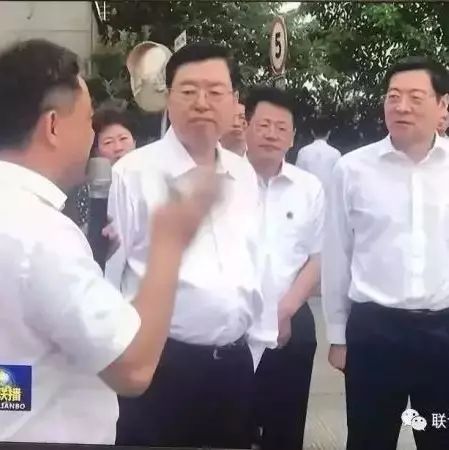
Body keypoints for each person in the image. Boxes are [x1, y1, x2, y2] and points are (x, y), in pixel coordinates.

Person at [0, 39, 219, 444]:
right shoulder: (41, 234)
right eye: (88, 121)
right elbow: (132, 367)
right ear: (52, 126)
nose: (92, 137)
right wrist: (169, 244)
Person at [105, 42, 263, 448]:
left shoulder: (244, 175)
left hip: (233, 365)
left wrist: (257, 346)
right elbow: (112, 276)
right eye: (188, 91)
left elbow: (255, 260)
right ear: (169, 98)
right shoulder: (133, 173)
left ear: (234, 100)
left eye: (215, 91)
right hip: (161, 366)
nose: (202, 103)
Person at [322, 56, 449, 450]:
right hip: (375, 333)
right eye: (393, 96)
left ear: (443, 105)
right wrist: (337, 335)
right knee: (369, 438)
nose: (401, 106)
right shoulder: (352, 169)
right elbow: (337, 254)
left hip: (443, 331)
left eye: (415, 97)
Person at [245, 87, 324, 450]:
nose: (271, 134)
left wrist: (285, 310)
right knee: (232, 426)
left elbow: (318, 257)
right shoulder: (222, 180)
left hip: (290, 319)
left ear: (292, 138)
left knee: (285, 429)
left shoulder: (309, 188)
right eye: (263, 125)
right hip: (233, 325)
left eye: (281, 128)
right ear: (246, 126)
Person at [63, 106, 137, 231]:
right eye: (108, 142)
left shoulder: (150, 178)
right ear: (96, 151)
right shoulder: (84, 189)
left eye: (123, 139)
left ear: (134, 142)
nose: (118, 147)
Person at [295, 116, 340, 188]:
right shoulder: (336, 153)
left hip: (308, 191)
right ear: (329, 133)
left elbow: (297, 176)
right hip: (328, 192)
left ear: (312, 132)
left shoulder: (303, 151)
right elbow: (338, 178)